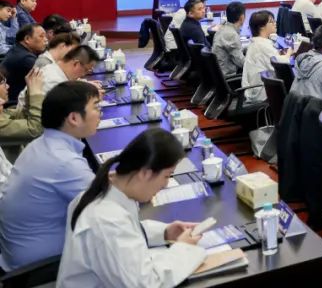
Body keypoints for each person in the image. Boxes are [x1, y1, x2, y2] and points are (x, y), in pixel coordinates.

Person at [57, 128, 206, 286]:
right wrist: (183, 249)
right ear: (145, 173)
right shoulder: (106, 221)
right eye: (166, 176)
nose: (166, 184)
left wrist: (164, 232)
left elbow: (127, 230)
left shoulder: (108, 191)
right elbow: (146, 284)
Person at [0, 82, 100, 270]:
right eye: (96, 107)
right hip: (39, 268)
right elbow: (107, 211)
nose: (99, 113)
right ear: (73, 118)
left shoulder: (40, 145)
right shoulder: (65, 162)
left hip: (15, 254)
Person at [242, 10, 291, 106]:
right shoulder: (263, 45)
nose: (275, 23)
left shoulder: (257, 42)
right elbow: (281, 65)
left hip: (256, 88)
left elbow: (272, 59)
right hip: (262, 93)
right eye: (271, 22)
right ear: (261, 26)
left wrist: (282, 55)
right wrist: (289, 53)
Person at [3, 23, 46, 106]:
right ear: (27, 39)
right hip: (13, 105)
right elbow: (48, 80)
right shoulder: (26, 59)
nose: (45, 39)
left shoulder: (17, 49)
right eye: (41, 36)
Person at [0, 66, 44, 144]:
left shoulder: (4, 112)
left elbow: (25, 115)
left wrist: (31, 90)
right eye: (2, 82)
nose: (7, 86)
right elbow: (35, 129)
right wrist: (36, 93)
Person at [211, 1, 245, 78]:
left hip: (219, 75)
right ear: (242, 17)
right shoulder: (231, 35)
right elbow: (241, 63)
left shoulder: (223, 29)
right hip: (229, 78)